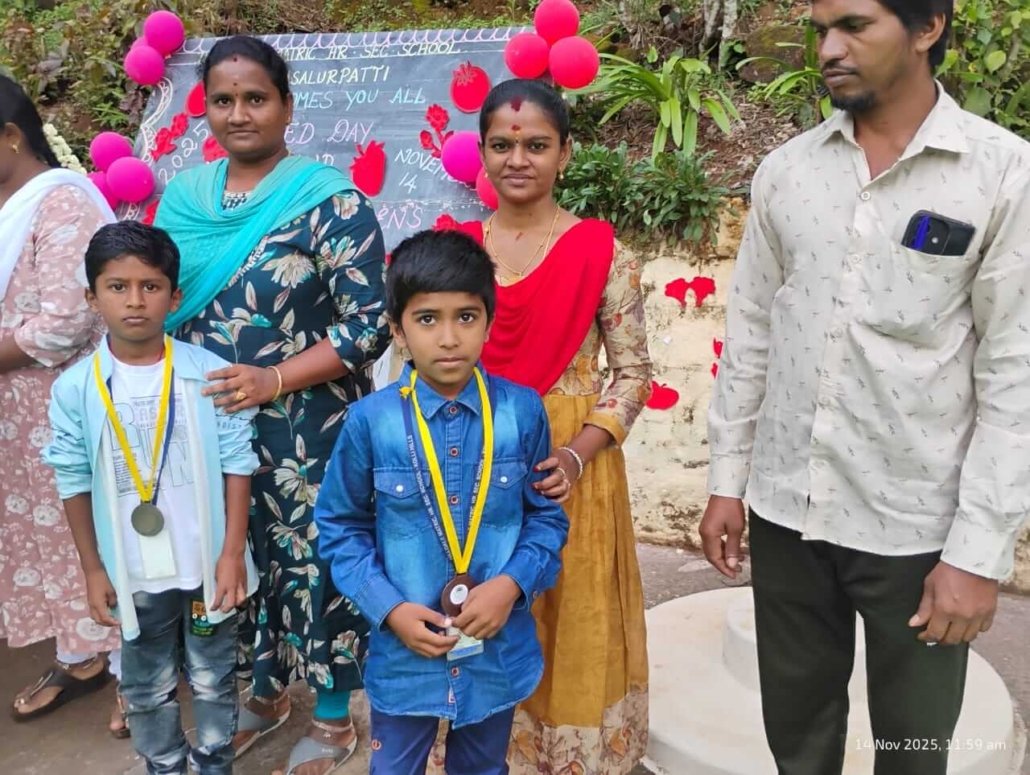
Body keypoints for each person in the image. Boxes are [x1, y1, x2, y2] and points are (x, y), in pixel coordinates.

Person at [700, 0, 1030, 773]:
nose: (829, 49)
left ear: (927, 28)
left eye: (854, 26)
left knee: (914, 748)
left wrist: (979, 552)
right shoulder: (788, 173)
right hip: (786, 511)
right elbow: (752, 336)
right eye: (821, 30)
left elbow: (1015, 373)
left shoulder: (1001, 174)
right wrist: (726, 481)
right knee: (798, 738)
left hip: (916, 529)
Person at [154, 35, 390, 774]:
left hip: (308, 429)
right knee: (234, 558)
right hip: (208, 425)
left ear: (287, 106)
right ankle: (262, 694)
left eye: (255, 98)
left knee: (313, 560)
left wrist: (274, 380)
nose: (239, 114)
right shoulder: (184, 201)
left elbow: (369, 325)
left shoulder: (329, 201)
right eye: (222, 100)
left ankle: (332, 712)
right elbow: (156, 299)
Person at [314, 229, 569, 775]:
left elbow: (546, 519)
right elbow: (339, 527)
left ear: (489, 323)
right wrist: (390, 609)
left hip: (495, 651)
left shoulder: (522, 413)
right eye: (427, 319)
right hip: (406, 656)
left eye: (466, 317)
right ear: (397, 330)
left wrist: (511, 585)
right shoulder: (370, 422)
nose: (449, 338)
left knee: (482, 767)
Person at [458, 79, 652, 774]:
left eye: (536, 145)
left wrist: (575, 454)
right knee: (477, 605)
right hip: (470, 463)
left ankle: (567, 756)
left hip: (571, 471)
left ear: (565, 153)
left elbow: (633, 374)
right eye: (502, 145)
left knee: (572, 612)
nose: (518, 159)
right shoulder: (455, 252)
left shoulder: (601, 251)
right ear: (483, 152)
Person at [43, 220, 259, 774]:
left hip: (206, 569)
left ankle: (215, 764)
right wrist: (94, 569)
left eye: (151, 286)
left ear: (174, 296)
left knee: (213, 677)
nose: (135, 301)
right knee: (145, 686)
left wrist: (231, 554)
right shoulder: (76, 389)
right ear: (92, 297)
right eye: (117, 287)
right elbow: (72, 479)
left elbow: (238, 463)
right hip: (134, 574)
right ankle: (164, 766)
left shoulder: (207, 374)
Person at [0, 74, 126, 731]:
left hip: (68, 408)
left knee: (100, 532)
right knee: (47, 539)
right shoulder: (6, 206)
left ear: (10, 137)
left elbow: (65, 324)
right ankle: (81, 657)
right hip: (15, 419)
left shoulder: (61, 203)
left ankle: (138, 672)